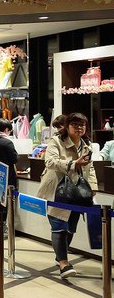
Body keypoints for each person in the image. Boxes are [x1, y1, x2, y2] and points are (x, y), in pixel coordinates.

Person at [37, 113, 98, 279]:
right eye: (75, 125)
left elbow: (90, 169)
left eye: (82, 125)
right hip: (57, 191)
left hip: (77, 193)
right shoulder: (56, 141)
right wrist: (73, 163)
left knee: (70, 227)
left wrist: (93, 187)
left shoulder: (87, 146)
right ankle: (64, 263)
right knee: (59, 227)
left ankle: (59, 257)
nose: (79, 128)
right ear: (67, 126)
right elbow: (49, 162)